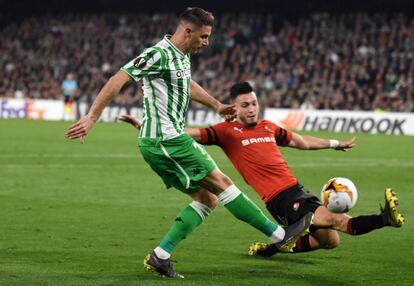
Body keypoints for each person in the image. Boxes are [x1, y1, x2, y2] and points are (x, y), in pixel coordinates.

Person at [65, 8, 310, 279]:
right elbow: (118, 79)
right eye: (204, 36)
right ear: (188, 31)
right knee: (223, 184)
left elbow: (187, 84)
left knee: (207, 199)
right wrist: (91, 117)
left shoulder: (182, 56)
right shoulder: (157, 54)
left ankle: (161, 256)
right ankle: (279, 235)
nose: (206, 42)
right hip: (167, 140)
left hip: (162, 141)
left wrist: (216, 104)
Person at [120, 81, 405, 258]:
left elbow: (302, 141)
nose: (252, 108)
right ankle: (385, 219)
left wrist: (334, 143)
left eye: (254, 103)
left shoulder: (268, 126)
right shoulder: (226, 131)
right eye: (245, 105)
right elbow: (186, 133)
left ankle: (270, 248)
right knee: (339, 222)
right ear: (236, 107)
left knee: (330, 241)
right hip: (280, 199)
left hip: (298, 190)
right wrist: (146, 126)